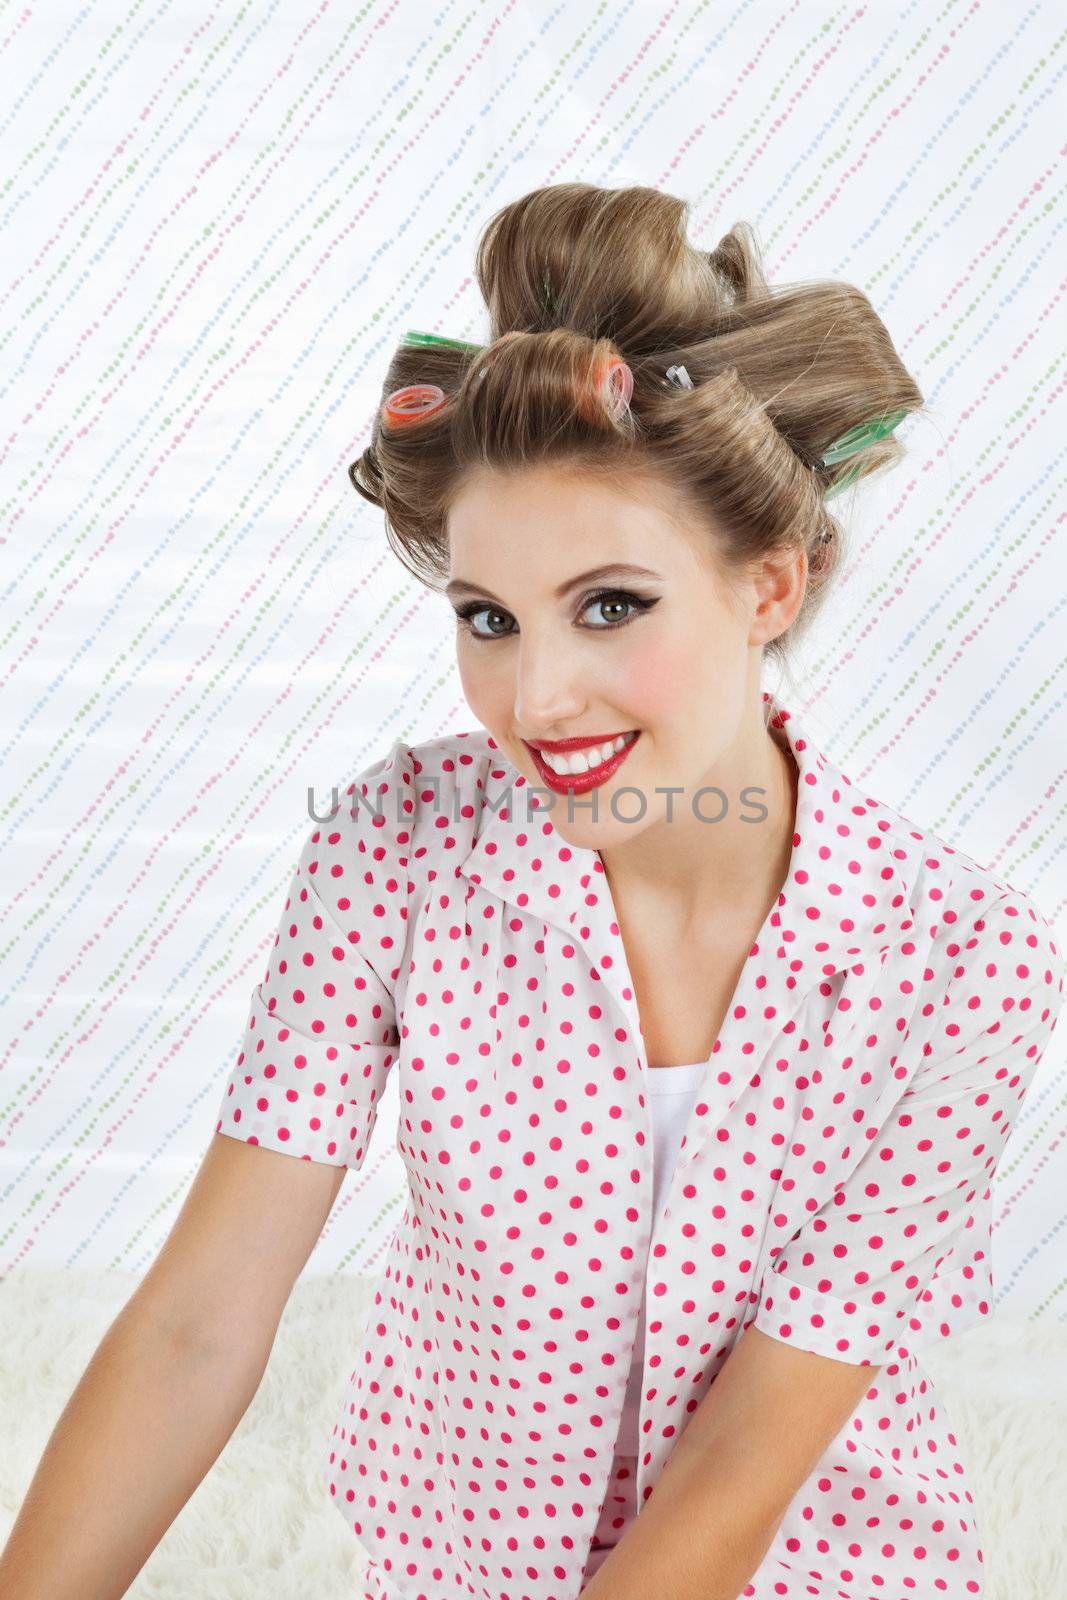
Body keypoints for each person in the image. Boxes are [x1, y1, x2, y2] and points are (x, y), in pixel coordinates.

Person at [3, 183, 1062, 1600]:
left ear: (771, 586)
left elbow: (746, 1466)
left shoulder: (964, 959)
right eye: (488, 619)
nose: (536, 695)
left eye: (610, 606)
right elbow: (202, 1322)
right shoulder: (396, 852)